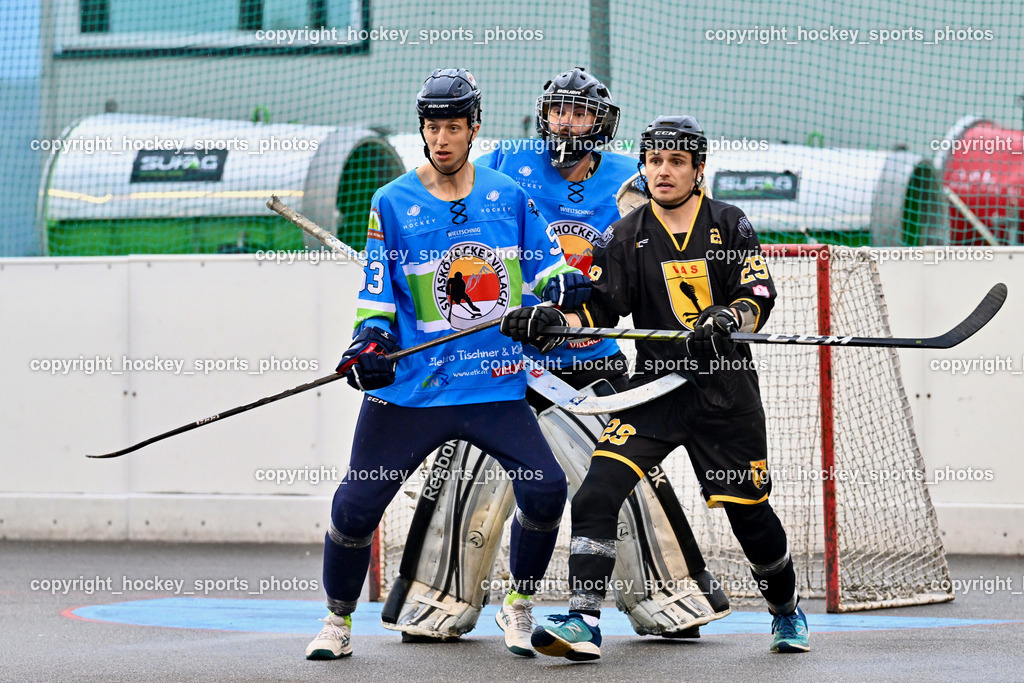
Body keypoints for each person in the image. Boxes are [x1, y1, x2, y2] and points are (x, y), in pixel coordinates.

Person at [501, 115, 810, 660]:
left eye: (676, 161)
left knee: (749, 513)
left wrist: (727, 319)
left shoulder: (729, 222)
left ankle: (785, 610)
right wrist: (551, 322)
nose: (663, 172)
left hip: (724, 397)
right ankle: (584, 621)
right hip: (655, 394)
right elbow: (599, 309)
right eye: (654, 161)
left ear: (698, 169)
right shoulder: (627, 234)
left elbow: (758, 296)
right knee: (597, 490)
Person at [305, 68, 584, 661]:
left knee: (546, 489)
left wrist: (564, 294)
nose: (442, 139)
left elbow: (549, 270)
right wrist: (368, 347)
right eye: (433, 128)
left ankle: (519, 606)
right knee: (355, 508)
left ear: (474, 129)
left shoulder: (508, 195)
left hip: (493, 386)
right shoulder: (392, 201)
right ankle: (336, 621)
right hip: (413, 391)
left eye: (454, 127)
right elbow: (377, 296)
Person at [476, 66, 636, 400]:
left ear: (600, 124)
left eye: (579, 113)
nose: (565, 122)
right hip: (517, 356)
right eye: (558, 111)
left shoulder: (630, 179)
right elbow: (455, 189)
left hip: (592, 354)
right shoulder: (509, 159)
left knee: (612, 451)